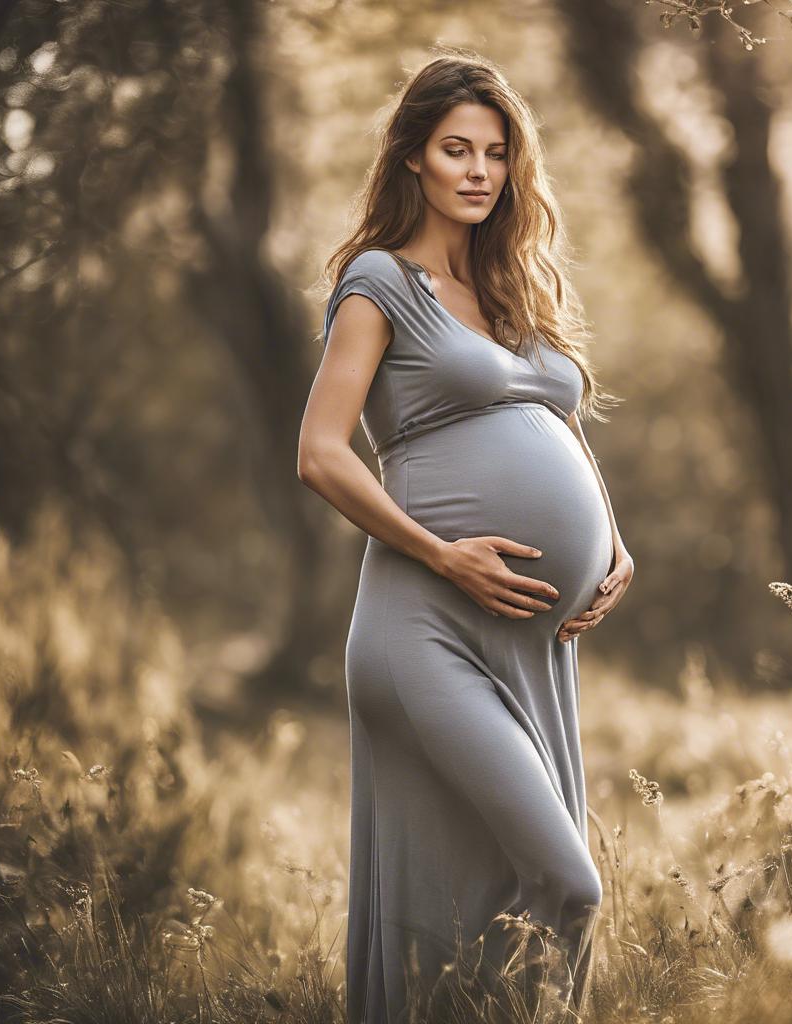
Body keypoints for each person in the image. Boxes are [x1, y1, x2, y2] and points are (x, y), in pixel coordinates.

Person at [298, 48, 634, 1024]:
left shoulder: (512, 288)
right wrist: (440, 552)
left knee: (497, 890)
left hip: (526, 639)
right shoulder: (379, 281)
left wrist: (613, 544)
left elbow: (559, 427)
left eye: (494, 151)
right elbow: (321, 453)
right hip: (426, 626)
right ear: (413, 158)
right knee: (568, 884)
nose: (479, 170)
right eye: (456, 149)